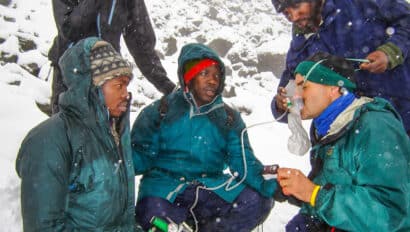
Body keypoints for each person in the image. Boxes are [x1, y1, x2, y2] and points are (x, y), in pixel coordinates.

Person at [131, 43, 277, 231]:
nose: (212, 81)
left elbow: (244, 163)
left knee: (258, 201)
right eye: (204, 73)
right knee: (157, 222)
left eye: (216, 75)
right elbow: (138, 156)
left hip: (210, 187)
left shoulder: (229, 118)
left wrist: (272, 186)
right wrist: (115, 161)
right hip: (164, 188)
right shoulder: (160, 111)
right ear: (188, 77)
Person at [275, 52, 410, 231]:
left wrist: (314, 194)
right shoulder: (329, 126)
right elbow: (334, 182)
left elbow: (390, 213)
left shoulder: (375, 126)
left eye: (303, 86)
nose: (294, 95)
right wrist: (291, 190)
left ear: (333, 89)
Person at [16, 37, 140, 231]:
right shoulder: (50, 140)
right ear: (92, 86)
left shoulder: (113, 135)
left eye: (127, 86)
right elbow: (43, 226)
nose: (126, 94)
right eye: (119, 85)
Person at [270, 0, 410, 135]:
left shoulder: (362, 4)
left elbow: (406, 21)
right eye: (286, 13)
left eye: (296, 6)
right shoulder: (302, 41)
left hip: (401, 118)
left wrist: (390, 52)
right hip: (345, 138)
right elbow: (290, 84)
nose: (293, 17)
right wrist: (282, 105)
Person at [49, 0, 176, 114]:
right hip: (70, 77)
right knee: (67, 134)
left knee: (110, 136)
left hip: (110, 79)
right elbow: (69, 28)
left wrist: (166, 85)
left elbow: (141, 45)